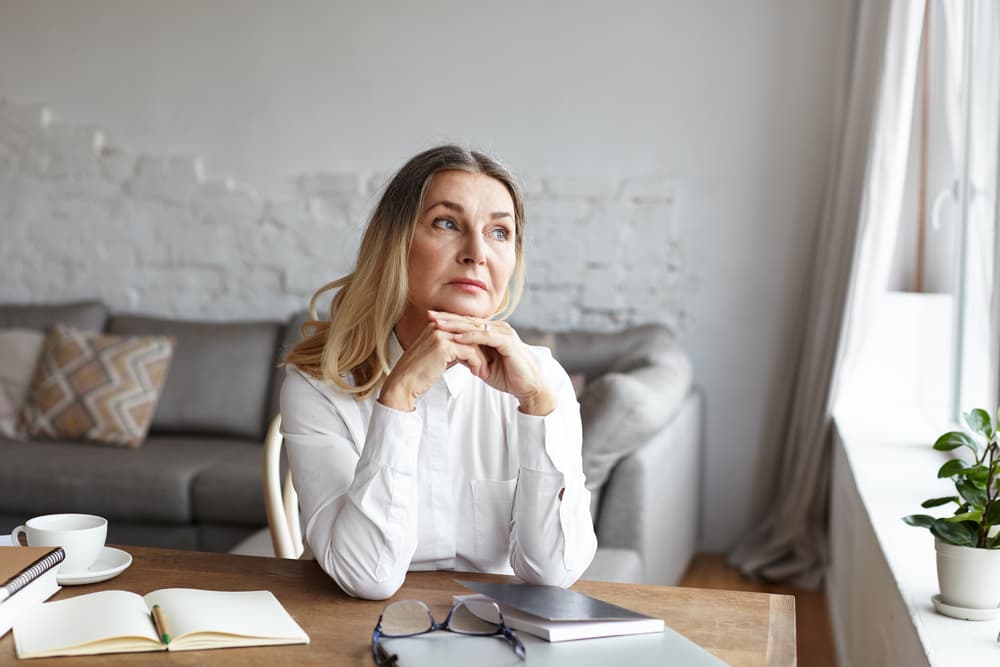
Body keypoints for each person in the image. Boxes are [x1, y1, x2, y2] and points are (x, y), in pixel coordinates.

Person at [280, 144, 597, 600]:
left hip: (498, 633)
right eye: (447, 223)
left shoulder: (543, 381)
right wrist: (399, 397)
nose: (477, 253)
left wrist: (539, 410)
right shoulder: (319, 384)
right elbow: (366, 577)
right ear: (396, 242)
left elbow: (554, 573)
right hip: (352, 633)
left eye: (499, 232)